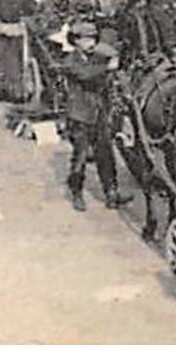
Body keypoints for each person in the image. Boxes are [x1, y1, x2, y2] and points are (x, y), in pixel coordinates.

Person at [60, 21, 129, 212]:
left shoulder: (97, 58)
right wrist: (108, 68)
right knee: (80, 158)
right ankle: (76, 193)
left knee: (105, 155)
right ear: (76, 41)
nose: (90, 42)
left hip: (99, 113)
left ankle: (111, 193)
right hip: (80, 116)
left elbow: (105, 80)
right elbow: (85, 76)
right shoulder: (70, 61)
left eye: (92, 38)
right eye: (85, 38)